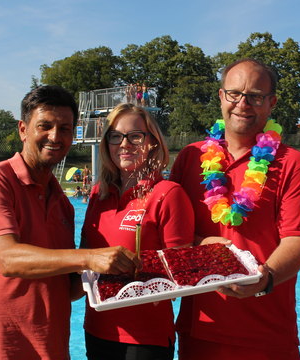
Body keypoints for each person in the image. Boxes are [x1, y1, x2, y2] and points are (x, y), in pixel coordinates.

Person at [0, 85, 140, 360]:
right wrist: (90, 258)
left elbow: (66, 288)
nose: (55, 137)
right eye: (44, 126)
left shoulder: (62, 202)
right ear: (23, 129)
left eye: (65, 128)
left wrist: (134, 270)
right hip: (3, 348)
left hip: (52, 347)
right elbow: (8, 259)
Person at [170, 58, 300, 359]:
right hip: (198, 331)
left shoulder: (293, 164)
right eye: (234, 93)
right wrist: (202, 246)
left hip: (266, 335)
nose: (243, 104)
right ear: (221, 96)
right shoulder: (190, 157)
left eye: (255, 96)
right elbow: (171, 235)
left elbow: (298, 240)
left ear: (271, 102)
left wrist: (264, 280)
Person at [81, 103, 195, 359]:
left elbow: (181, 274)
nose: (124, 144)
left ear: (152, 142)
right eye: (116, 136)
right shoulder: (99, 194)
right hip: (96, 328)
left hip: (144, 338)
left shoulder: (167, 194)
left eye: (135, 136)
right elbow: (85, 255)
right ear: (107, 144)